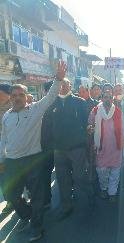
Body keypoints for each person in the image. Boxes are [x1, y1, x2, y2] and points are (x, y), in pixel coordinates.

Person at [0, 61, 66, 242]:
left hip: (32, 159)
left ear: (26, 96)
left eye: (21, 94)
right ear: (10, 98)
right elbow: (3, 139)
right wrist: (2, 159)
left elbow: (51, 96)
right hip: (12, 161)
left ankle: (36, 227)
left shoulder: (35, 110)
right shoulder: (6, 116)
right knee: (12, 195)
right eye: (14, 95)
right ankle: (28, 214)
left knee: (37, 196)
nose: (18, 97)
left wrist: (58, 79)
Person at [51, 78, 94, 221]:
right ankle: (66, 206)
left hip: (77, 148)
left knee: (79, 176)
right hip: (58, 149)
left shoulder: (79, 102)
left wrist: (85, 139)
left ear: (70, 86)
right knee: (62, 180)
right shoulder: (52, 102)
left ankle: (89, 193)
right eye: (60, 84)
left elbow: (86, 124)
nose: (62, 86)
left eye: (65, 84)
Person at [89, 83, 124, 202]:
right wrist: (90, 128)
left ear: (112, 98)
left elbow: (123, 127)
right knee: (101, 170)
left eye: (109, 97)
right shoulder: (95, 111)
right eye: (105, 97)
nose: (107, 99)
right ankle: (104, 188)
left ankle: (112, 192)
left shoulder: (118, 111)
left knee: (115, 171)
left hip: (116, 147)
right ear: (102, 98)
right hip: (101, 147)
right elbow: (90, 124)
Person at [40, 81, 55, 210]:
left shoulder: (64, 103)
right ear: (45, 92)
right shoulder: (40, 106)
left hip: (63, 146)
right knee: (45, 173)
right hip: (46, 147)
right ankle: (46, 199)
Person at [0, 84, 13, 214]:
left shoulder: (15, 106)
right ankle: (10, 200)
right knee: (3, 175)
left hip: (14, 146)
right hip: (1, 147)